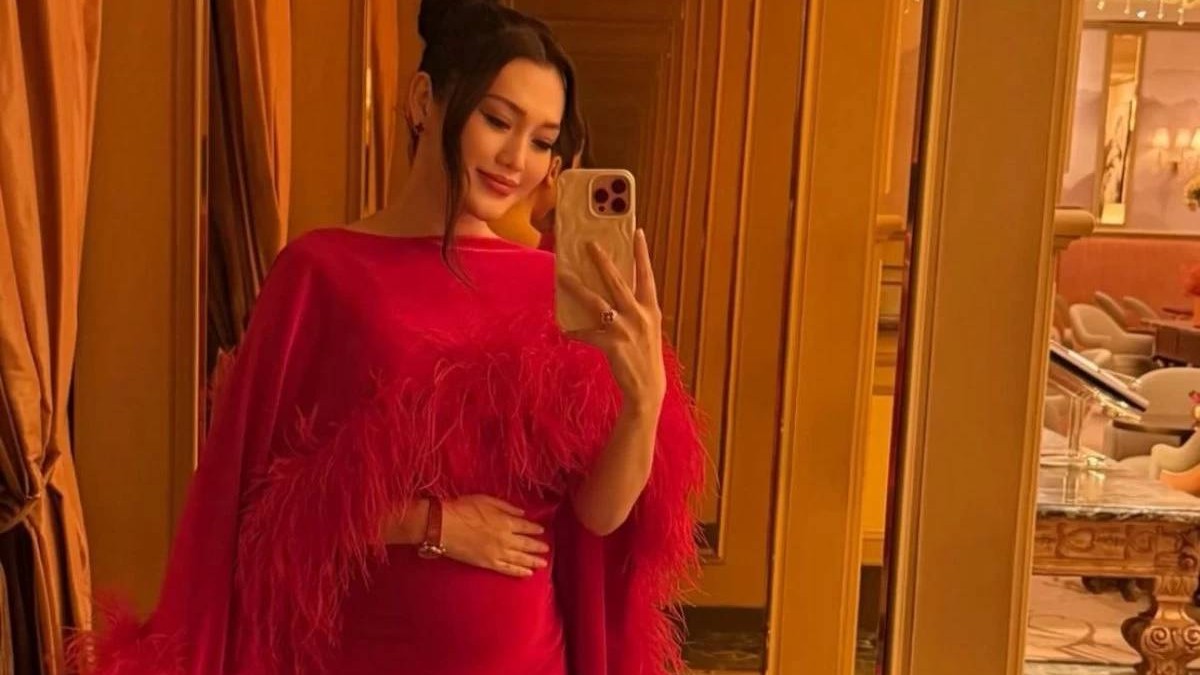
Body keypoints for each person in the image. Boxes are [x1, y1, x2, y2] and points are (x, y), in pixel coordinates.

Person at [73, 1, 704, 674]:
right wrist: (433, 523)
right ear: (424, 100)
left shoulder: (552, 288)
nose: (516, 160)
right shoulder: (320, 272)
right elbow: (257, 520)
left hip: (525, 655)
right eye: (497, 121)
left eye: (543, 141)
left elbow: (598, 517)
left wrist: (643, 401)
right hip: (357, 652)